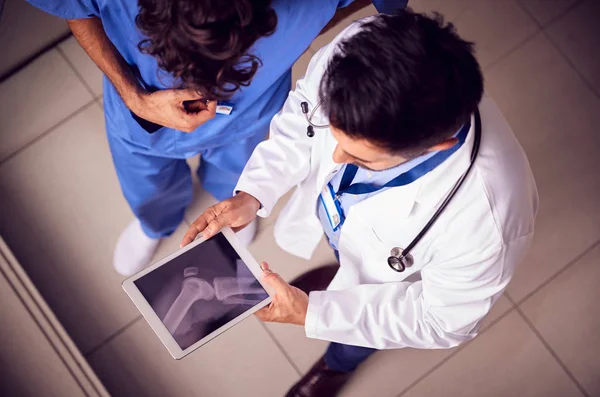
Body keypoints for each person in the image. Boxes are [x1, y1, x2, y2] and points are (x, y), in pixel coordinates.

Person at [182, 9, 538, 397]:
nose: (334, 159)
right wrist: (253, 192)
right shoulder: (364, 47)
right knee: (348, 255)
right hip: (348, 220)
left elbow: (439, 321)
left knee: (363, 317)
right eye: (335, 135)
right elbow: (302, 114)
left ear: (434, 146)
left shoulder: (487, 221)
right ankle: (341, 268)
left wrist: (311, 313)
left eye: (361, 157)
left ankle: (337, 365)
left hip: (397, 279)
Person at [26, 0, 402, 276]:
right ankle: (154, 223)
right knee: (145, 181)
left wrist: (304, 30)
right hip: (142, 115)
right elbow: (76, 8)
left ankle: (230, 198)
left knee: (240, 167)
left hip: (253, 111)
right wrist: (134, 97)